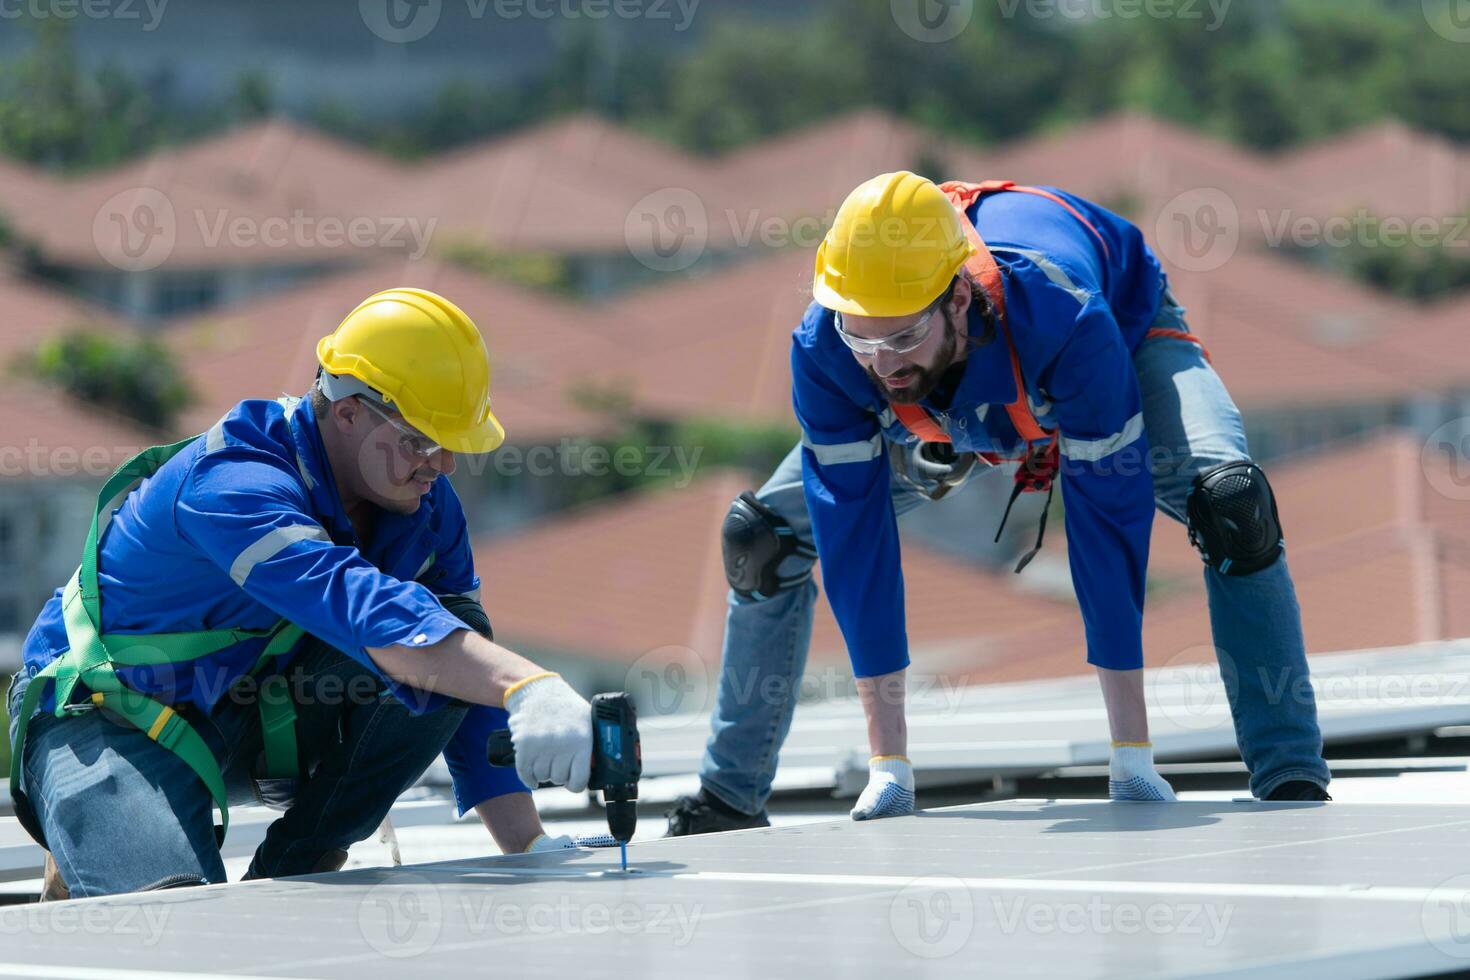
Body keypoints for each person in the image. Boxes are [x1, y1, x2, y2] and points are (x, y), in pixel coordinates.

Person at [668, 172, 1330, 835]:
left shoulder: (1066, 315)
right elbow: (853, 538)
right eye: (861, 339)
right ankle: (728, 796)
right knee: (761, 541)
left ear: (957, 299)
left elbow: (1107, 518)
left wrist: (1131, 750)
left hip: (1119, 339)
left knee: (1232, 506)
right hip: (947, 402)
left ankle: (1289, 775)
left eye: (900, 337)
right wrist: (888, 762)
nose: (882, 365)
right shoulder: (828, 349)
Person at [8, 287, 594, 898]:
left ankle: (294, 867)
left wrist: (530, 848)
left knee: (455, 631)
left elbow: (461, 668)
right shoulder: (233, 485)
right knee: (176, 923)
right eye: (424, 440)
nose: (442, 465)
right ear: (347, 413)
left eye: (452, 446)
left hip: (246, 708)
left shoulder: (421, 503)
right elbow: (365, 610)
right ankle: (98, 840)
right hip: (106, 715)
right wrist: (528, 684)